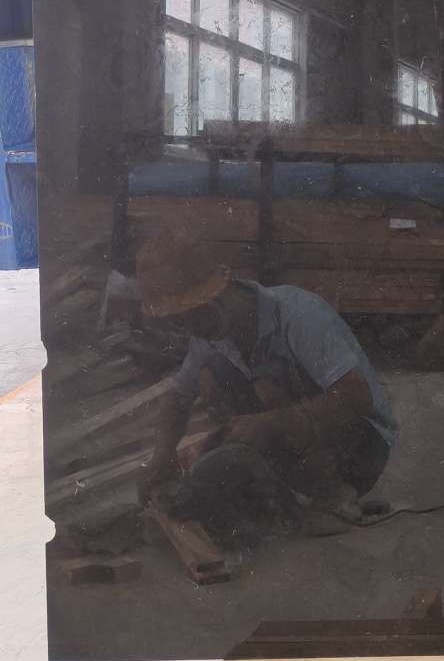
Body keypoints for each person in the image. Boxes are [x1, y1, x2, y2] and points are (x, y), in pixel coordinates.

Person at [135, 229, 398, 546]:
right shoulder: (209, 328)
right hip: (294, 427)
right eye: (179, 321)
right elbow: (178, 397)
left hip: (361, 443)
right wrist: (162, 456)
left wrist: (271, 423)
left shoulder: (297, 314)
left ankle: (334, 493)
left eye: (191, 317)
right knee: (213, 387)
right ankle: (281, 489)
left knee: (261, 393)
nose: (189, 330)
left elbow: (358, 396)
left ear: (218, 295)